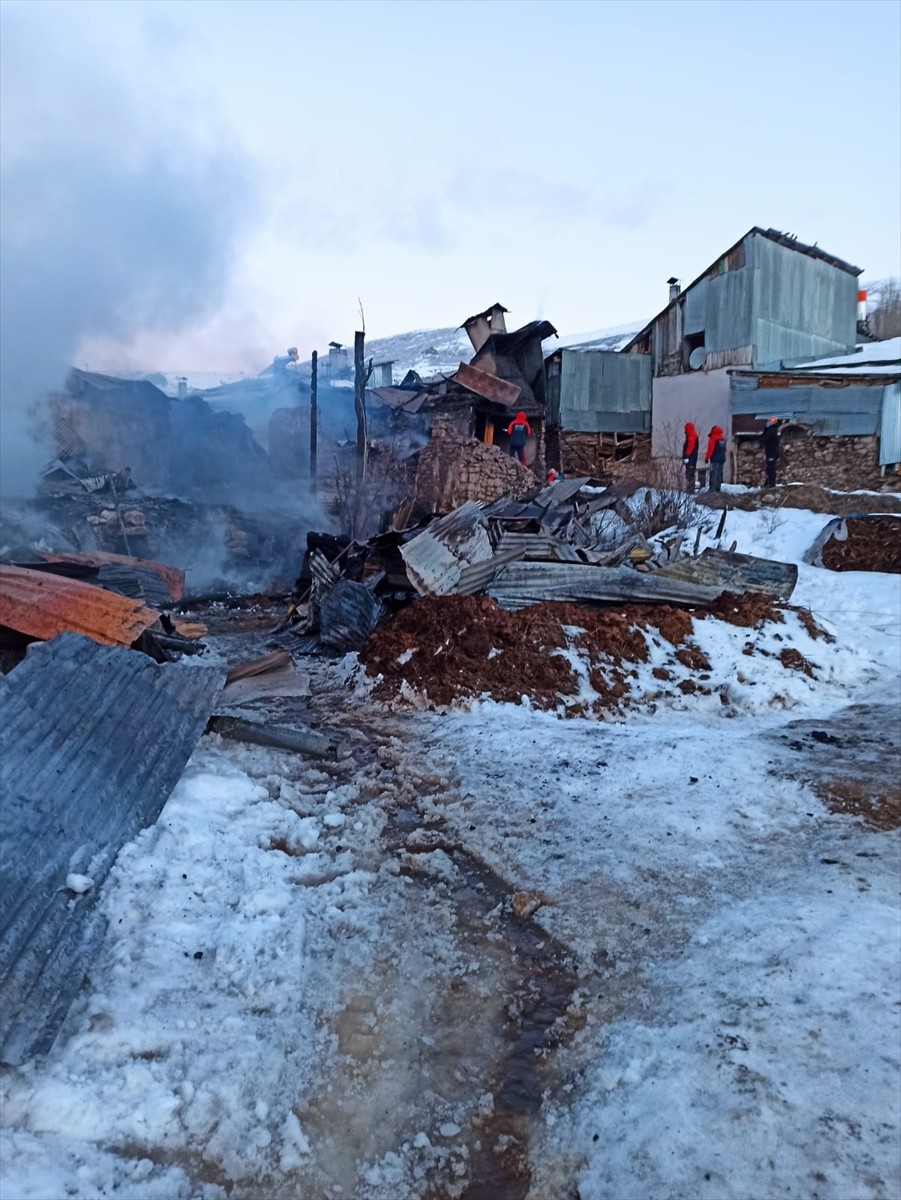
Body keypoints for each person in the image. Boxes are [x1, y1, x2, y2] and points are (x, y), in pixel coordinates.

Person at [761, 417, 782, 487]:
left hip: (771, 452)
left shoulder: (771, 431)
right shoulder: (776, 430)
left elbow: (764, 439)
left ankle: (771, 484)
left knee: (771, 468)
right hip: (774, 451)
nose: (767, 423)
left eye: (769, 422)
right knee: (769, 468)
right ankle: (768, 483)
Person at [705, 425, 726, 492]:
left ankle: (712, 489)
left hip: (715, 459)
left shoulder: (713, 438)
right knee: (719, 474)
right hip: (722, 458)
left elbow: (710, 449)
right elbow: (725, 449)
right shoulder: (722, 438)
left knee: (713, 473)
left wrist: (707, 458)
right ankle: (718, 488)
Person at [682, 422, 699, 493]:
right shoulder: (692, 434)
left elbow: (690, 447)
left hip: (691, 457)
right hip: (692, 457)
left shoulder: (691, 435)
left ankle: (690, 489)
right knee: (690, 472)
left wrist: (686, 455)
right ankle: (690, 488)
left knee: (690, 473)